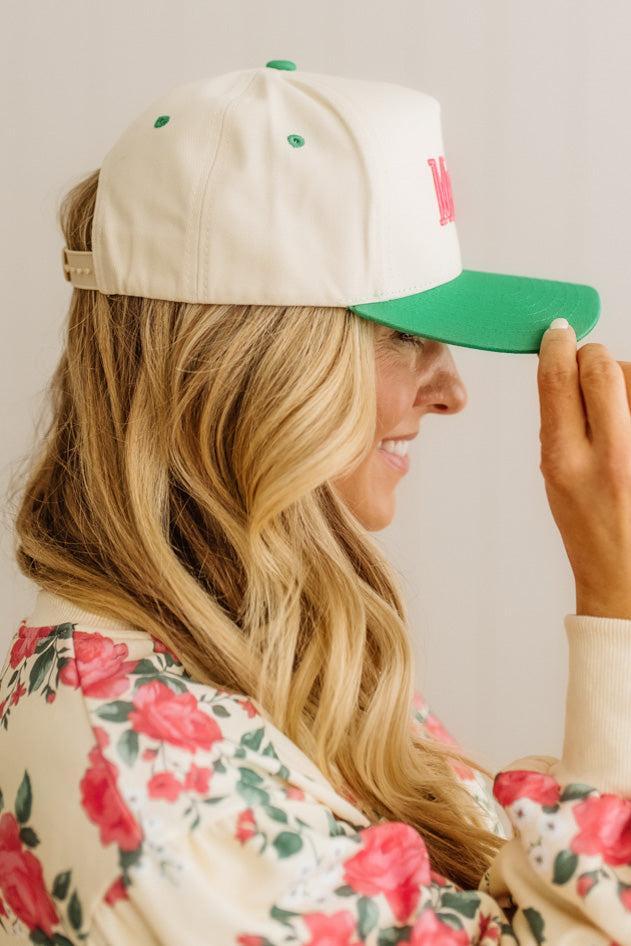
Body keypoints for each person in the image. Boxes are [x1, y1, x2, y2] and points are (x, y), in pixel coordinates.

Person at [1, 60, 630, 946]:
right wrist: (617, 605)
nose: (450, 392)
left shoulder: (286, 652)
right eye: (401, 336)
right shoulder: (132, 762)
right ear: (239, 367)